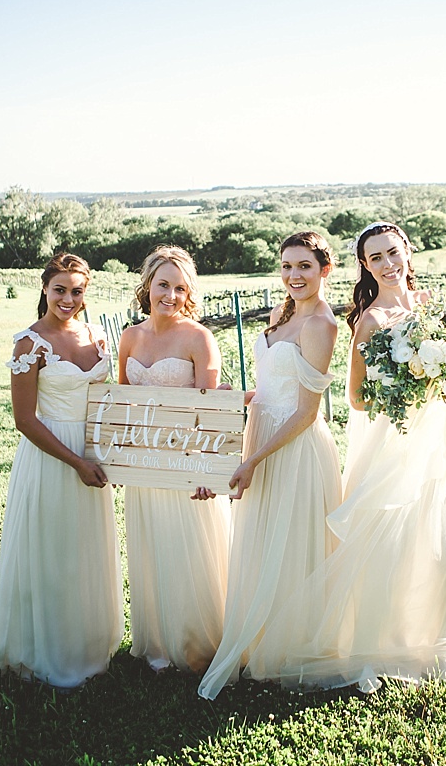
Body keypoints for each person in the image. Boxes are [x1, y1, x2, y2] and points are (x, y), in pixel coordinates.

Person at [247, 221, 446, 693]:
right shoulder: (368, 320)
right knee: (388, 546)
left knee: (443, 547)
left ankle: (431, 644)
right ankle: (379, 645)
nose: (388, 265)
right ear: (365, 267)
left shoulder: (438, 311)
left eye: (393, 253)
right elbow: (356, 398)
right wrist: (411, 382)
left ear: (408, 252)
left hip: (440, 439)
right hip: (390, 444)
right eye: (376, 259)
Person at [0, 253, 123, 694]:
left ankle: (88, 646)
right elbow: (25, 421)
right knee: (53, 553)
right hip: (52, 456)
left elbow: (110, 400)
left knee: (86, 550)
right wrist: (77, 462)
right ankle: (49, 653)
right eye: (60, 290)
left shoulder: (98, 337)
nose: (68, 298)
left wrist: (111, 454)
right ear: (45, 290)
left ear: (87, 293)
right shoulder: (30, 344)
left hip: (93, 453)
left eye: (77, 290)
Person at [197, 231, 342, 700]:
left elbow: (305, 412)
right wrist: (233, 402)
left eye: (304, 266)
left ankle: (289, 646)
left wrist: (253, 459)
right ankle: (258, 639)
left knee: (292, 542)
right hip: (262, 435)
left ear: (325, 269)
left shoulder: (321, 324)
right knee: (263, 539)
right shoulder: (285, 313)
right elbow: (269, 388)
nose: (294, 275)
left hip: (293, 448)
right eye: (286, 266)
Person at [118, 246, 231, 674]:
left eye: (180, 287)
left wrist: (208, 471)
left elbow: (212, 413)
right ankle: (161, 642)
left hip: (189, 467)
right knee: (154, 550)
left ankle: (201, 644)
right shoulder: (130, 337)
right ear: (147, 285)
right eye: (163, 284)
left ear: (189, 293)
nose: (170, 294)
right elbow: (123, 408)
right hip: (145, 469)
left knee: (191, 553)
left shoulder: (199, 338)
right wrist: (118, 461)